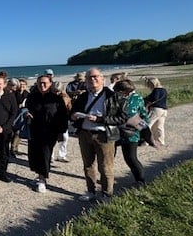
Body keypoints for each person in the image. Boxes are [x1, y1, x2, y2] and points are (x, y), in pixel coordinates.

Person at [70, 68, 127, 201]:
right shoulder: (83, 96)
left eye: (95, 76)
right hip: (85, 134)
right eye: (89, 77)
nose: (92, 79)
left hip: (104, 135)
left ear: (103, 79)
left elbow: (123, 117)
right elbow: (72, 112)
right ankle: (91, 191)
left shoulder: (113, 96)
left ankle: (107, 194)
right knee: (88, 165)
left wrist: (100, 119)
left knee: (105, 167)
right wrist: (73, 116)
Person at [25, 76, 69, 192]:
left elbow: (63, 116)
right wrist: (27, 114)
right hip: (34, 130)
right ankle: (39, 175)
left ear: (50, 84)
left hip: (50, 132)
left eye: (45, 83)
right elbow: (26, 109)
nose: (42, 85)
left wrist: (62, 132)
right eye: (40, 83)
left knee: (45, 154)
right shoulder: (32, 97)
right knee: (34, 154)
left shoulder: (56, 99)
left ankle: (42, 180)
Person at [113, 79, 149, 185]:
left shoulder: (137, 98)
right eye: (123, 92)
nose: (126, 94)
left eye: (129, 92)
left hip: (131, 133)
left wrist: (142, 131)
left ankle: (140, 181)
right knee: (108, 158)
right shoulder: (112, 98)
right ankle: (107, 180)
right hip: (113, 132)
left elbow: (143, 115)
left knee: (130, 158)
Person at [51, 81, 72, 163]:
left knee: (65, 138)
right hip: (51, 121)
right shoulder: (48, 97)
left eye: (58, 91)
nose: (56, 93)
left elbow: (69, 108)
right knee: (51, 139)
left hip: (63, 120)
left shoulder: (65, 97)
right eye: (55, 91)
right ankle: (50, 156)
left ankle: (62, 155)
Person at [144, 76, 168, 146]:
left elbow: (154, 98)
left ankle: (146, 141)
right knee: (159, 126)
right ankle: (161, 141)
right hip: (164, 110)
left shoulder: (156, 90)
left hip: (156, 110)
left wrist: (145, 100)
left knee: (147, 124)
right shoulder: (164, 90)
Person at [10, 78, 30, 156]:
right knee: (13, 132)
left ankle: (14, 148)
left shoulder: (27, 94)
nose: (22, 86)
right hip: (14, 115)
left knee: (18, 132)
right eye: (20, 84)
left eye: (23, 84)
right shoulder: (14, 93)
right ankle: (12, 148)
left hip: (22, 116)